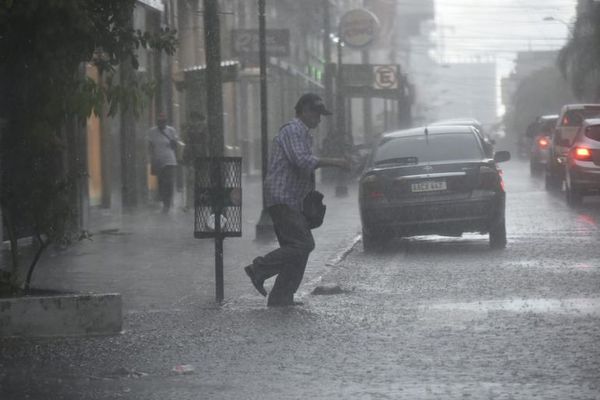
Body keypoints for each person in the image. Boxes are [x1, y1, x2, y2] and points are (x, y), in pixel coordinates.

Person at [244, 93, 350, 307]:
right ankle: (259, 268)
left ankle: (281, 297)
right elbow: (302, 161)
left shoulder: (303, 133)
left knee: (295, 249)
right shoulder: (293, 130)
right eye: (316, 114)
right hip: (282, 197)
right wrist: (336, 162)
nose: (319, 120)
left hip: (292, 199)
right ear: (304, 111)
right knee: (303, 244)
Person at [147, 112, 179, 213]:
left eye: (164, 121)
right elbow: (150, 146)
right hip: (158, 160)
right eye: (160, 121)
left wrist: (174, 143)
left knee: (168, 182)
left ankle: (167, 204)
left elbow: (175, 146)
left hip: (169, 160)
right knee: (161, 183)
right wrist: (151, 158)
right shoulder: (152, 132)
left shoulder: (171, 130)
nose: (162, 123)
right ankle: (165, 201)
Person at [181, 111, 207, 211]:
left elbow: (204, 143)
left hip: (198, 158)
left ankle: (198, 202)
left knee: (198, 181)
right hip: (190, 158)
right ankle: (189, 203)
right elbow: (184, 140)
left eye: (196, 119)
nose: (194, 121)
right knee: (190, 181)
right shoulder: (189, 129)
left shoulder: (203, 129)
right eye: (193, 119)